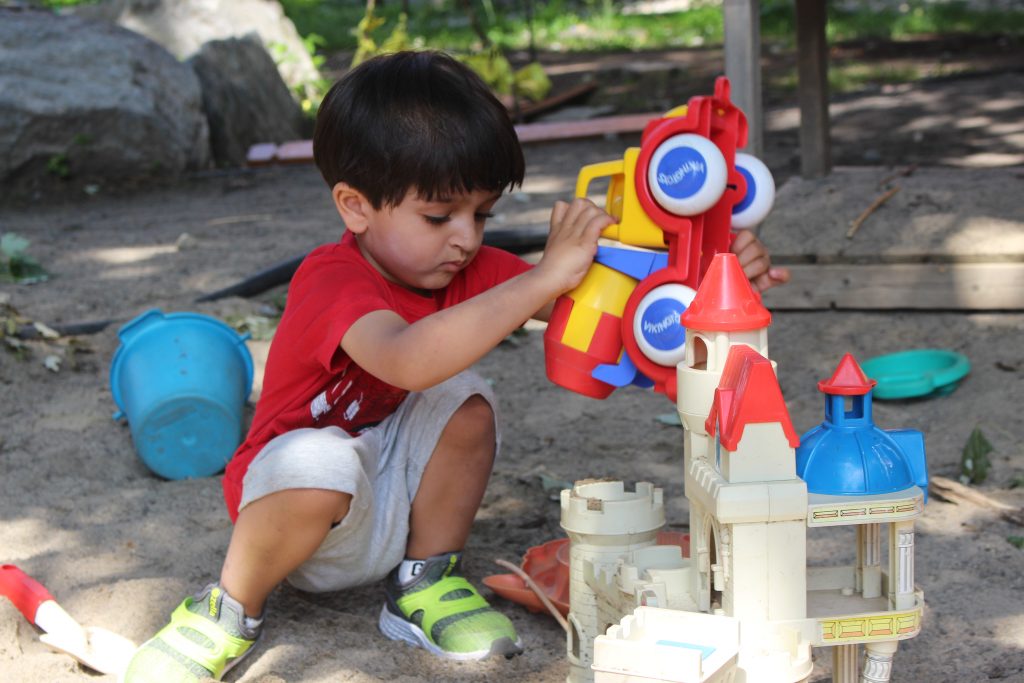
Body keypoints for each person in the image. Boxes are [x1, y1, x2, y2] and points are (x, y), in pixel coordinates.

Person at [123, 50, 789, 682]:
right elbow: (407, 359)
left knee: (467, 401)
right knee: (317, 460)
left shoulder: (464, 265)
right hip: (295, 514)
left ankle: (424, 578)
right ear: (354, 205)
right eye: (440, 214)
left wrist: (718, 276)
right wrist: (539, 280)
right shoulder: (332, 279)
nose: (468, 237)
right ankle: (229, 609)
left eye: (482, 212)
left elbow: (605, 314)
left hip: (387, 490)